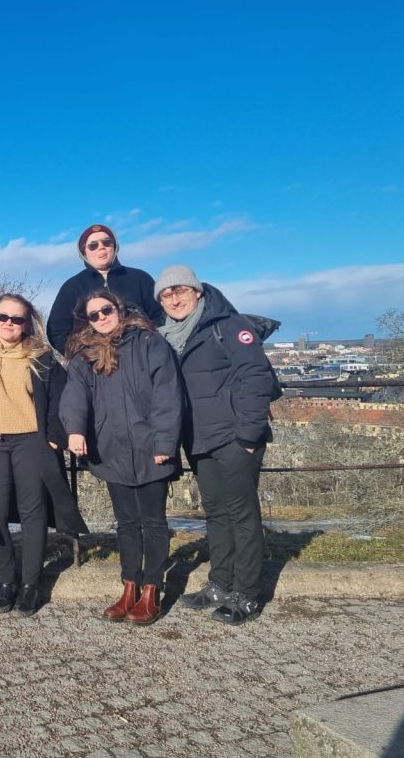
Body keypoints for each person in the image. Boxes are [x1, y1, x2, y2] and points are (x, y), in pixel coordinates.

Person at [155, 265, 275, 626]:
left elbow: (256, 376)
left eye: (181, 291)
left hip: (235, 438)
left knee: (242, 514)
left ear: (198, 293)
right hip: (199, 438)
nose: (174, 299)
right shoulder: (168, 336)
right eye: (166, 294)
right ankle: (221, 583)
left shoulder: (228, 325)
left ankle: (248, 593)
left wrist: (250, 435)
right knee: (216, 513)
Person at [62, 289, 182, 625]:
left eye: (106, 310)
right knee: (127, 523)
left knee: (154, 522)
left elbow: (168, 395)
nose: (101, 318)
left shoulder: (149, 344)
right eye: (94, 315)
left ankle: (151, 590)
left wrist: (164, 443)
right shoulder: (86, 354)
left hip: (150, 449)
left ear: (119, 308)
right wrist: (75, 429)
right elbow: (75, 395)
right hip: (111, 449)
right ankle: (129, 586)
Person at [0, 294, 88, 618]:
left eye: (17, 319)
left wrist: (53, 438)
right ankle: (5, 581)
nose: (8, 324)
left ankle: (31, 584)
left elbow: (60, 398)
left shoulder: (41, 355)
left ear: (26, 323)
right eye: (3, 316)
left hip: (30, 442)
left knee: (33, 513)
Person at [46, 224, 163, 353]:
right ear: (84, 252)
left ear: (115, 247)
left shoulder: (140, 278)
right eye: (93, 245)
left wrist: (149, 346)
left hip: (142, 357)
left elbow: (160, 317)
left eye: (107, 243)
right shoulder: (71, 288)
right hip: (96, 365)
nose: (101, 247)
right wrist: (83, 358)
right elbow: (57, 331)